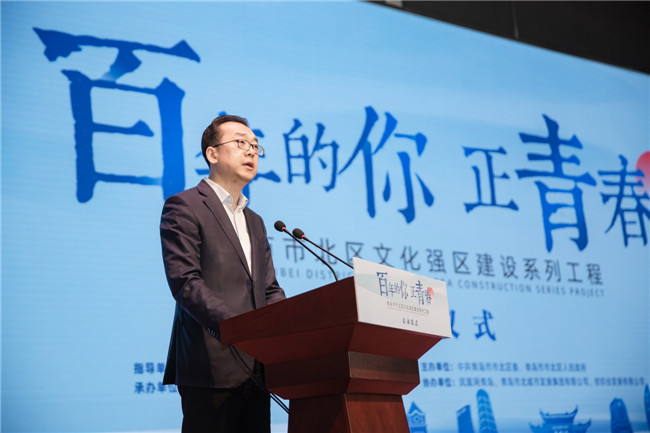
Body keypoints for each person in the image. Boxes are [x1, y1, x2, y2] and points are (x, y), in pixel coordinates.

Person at [160, 114, 286, 432]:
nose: (251, 151)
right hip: (210, 365)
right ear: (212, 154)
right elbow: (185, 282)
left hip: (257, 369)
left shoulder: (255, 221)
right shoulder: (184, 206)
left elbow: (269, 289)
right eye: (241, 142)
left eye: (255, 145)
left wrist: (287, 329)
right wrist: (238, 329)